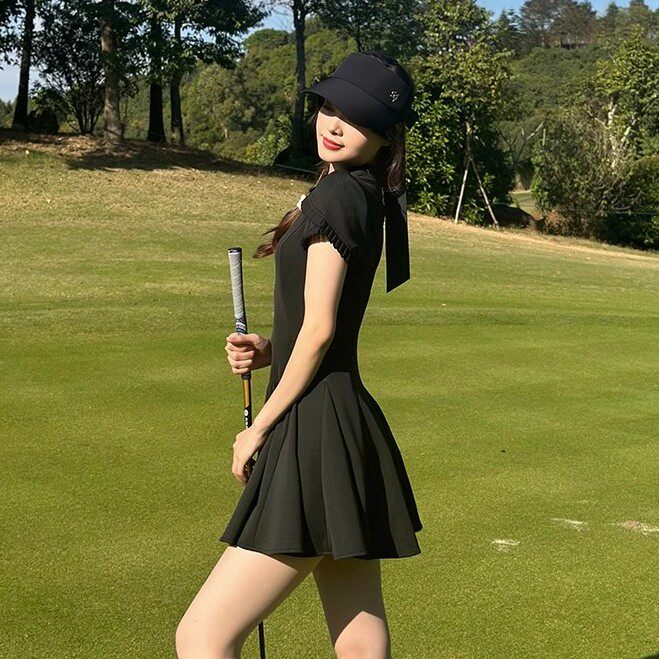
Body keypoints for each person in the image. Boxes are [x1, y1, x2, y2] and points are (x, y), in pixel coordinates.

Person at [176, 51, 423, 659]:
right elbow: (312, 331)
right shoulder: (360, 193)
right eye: (330, 106)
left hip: (312, 430)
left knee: (202, 636)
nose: (334, 123)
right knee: (357, 632)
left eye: (356, 117)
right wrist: (270, 349)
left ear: (385, 137)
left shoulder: (339, 196)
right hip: (343, 426)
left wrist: (257, 428)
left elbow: (318, 332)